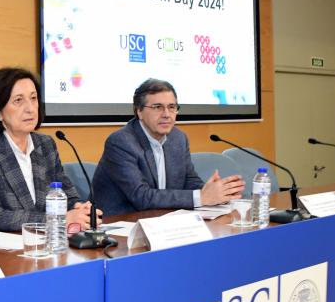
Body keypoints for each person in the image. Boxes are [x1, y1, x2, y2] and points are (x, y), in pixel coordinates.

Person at [0, 67, 97, 235]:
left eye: (33, 98)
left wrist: (79, 209)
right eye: (18, 100)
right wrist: (59, 219)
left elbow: (66, 195)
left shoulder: (45, 145)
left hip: (33, 242)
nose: (30, 108)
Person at [92, 78, 244, 216]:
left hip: (162, 221)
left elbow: (189, 181)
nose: (166, 114)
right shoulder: (121, 142)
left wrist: (216, 193)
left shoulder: (178, 138)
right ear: (139, 111)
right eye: (158, 107)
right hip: (118, 225)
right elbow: (142, 197)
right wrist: (201, 197)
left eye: (172, 107)